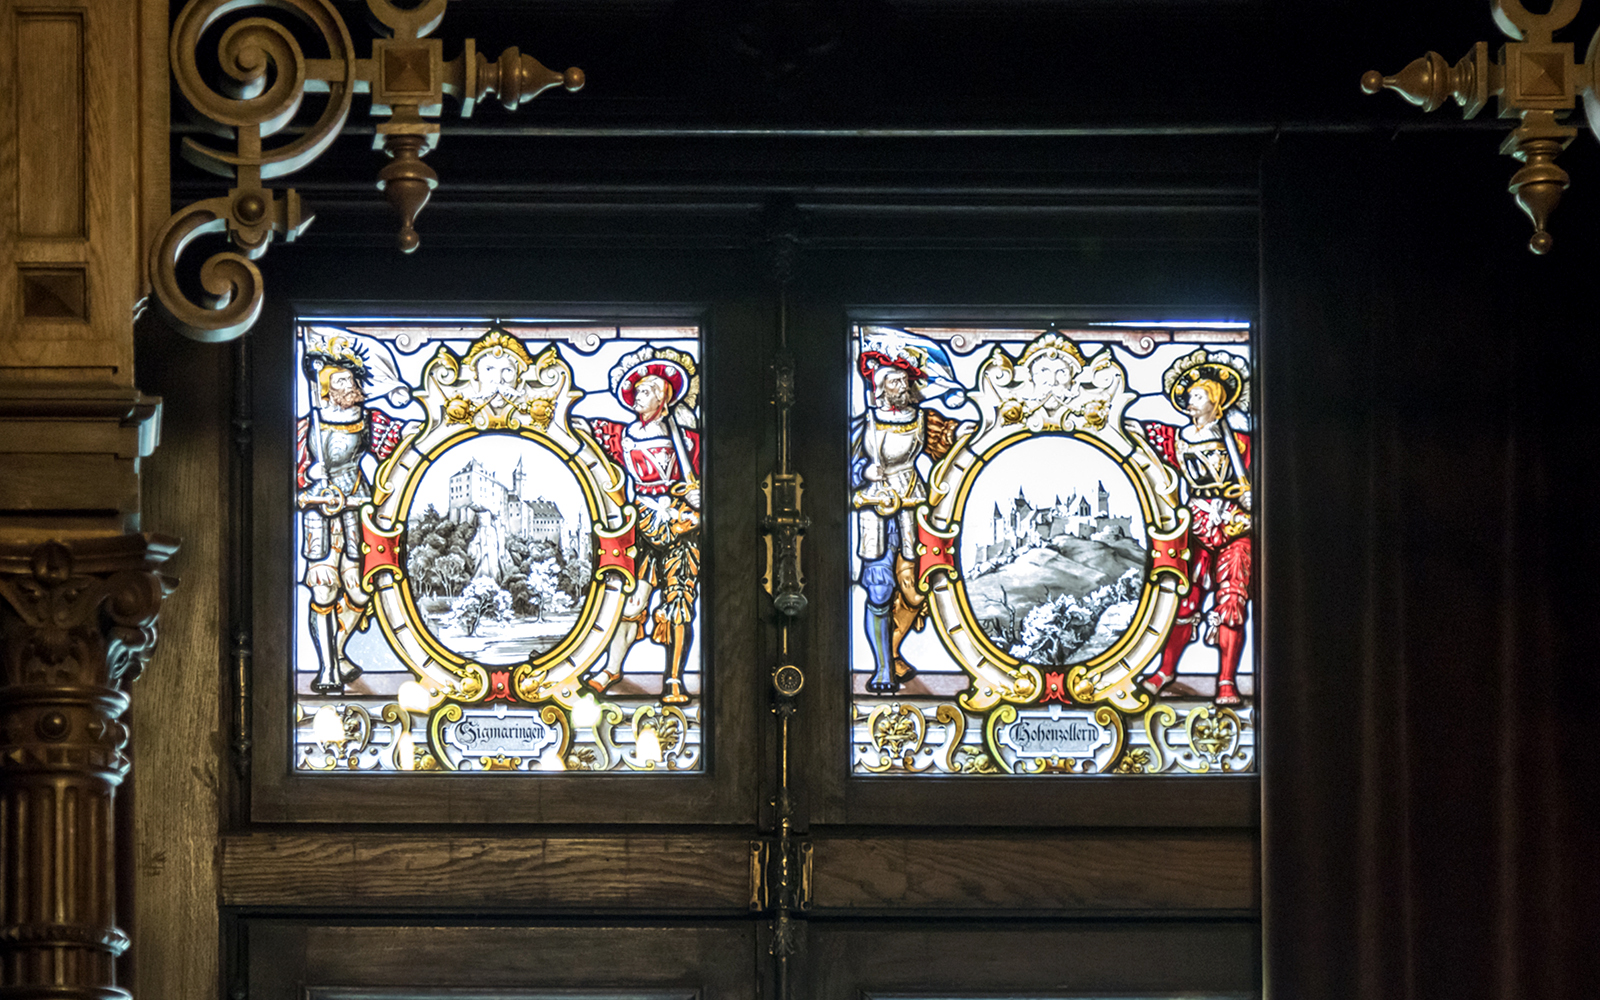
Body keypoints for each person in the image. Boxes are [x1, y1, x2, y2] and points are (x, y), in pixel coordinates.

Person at [1129, 349, 1252, 706]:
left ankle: (1226, 681)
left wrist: (1251, 498)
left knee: (1231, 602)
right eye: (1189, 395)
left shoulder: (1242, 442)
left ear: (1215, 402)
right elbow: (1145, 438)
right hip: (1195, 526)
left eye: (1198, 395)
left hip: (1235, 527)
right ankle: (1166, 671)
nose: (1189, 399)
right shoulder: (1177, 438)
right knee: (1183, 601)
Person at [583, 348, 702, 704]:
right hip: (641, 522)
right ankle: (612, 668)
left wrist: (700, 496)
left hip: (681, 524)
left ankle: (675, 680)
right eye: (637, 390)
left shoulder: (689, 438)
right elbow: (589, 442)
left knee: (679, 603)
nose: (638, 395)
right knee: (631, 602)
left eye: (647, 390)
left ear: (664, 397)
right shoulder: (621, 436)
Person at [296, 334, 410, 694]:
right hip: (318, 517)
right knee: (324, 591)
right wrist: (308, 483)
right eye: (343, 381)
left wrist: (402, 398)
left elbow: (399, 448)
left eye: (354, 381)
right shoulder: (308, 425)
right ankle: (328, 667)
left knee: (360, 592)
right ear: (326, 388)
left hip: (354, 510)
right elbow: (293, 471)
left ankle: (339, 649)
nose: (353, 387)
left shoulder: (369, 421)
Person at [851, 352, 965, 694]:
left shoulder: (920, 420)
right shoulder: (864, 424)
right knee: (880, 590)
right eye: (895, 381)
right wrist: (862, 471)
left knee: (916, 591)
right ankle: (884, 669)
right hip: (874, 515)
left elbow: (949, 445)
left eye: (904, 381)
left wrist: (966, 432)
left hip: (912, 512)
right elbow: (837, 468)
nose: (902, 386)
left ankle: (894, 651)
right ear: (880, 388)